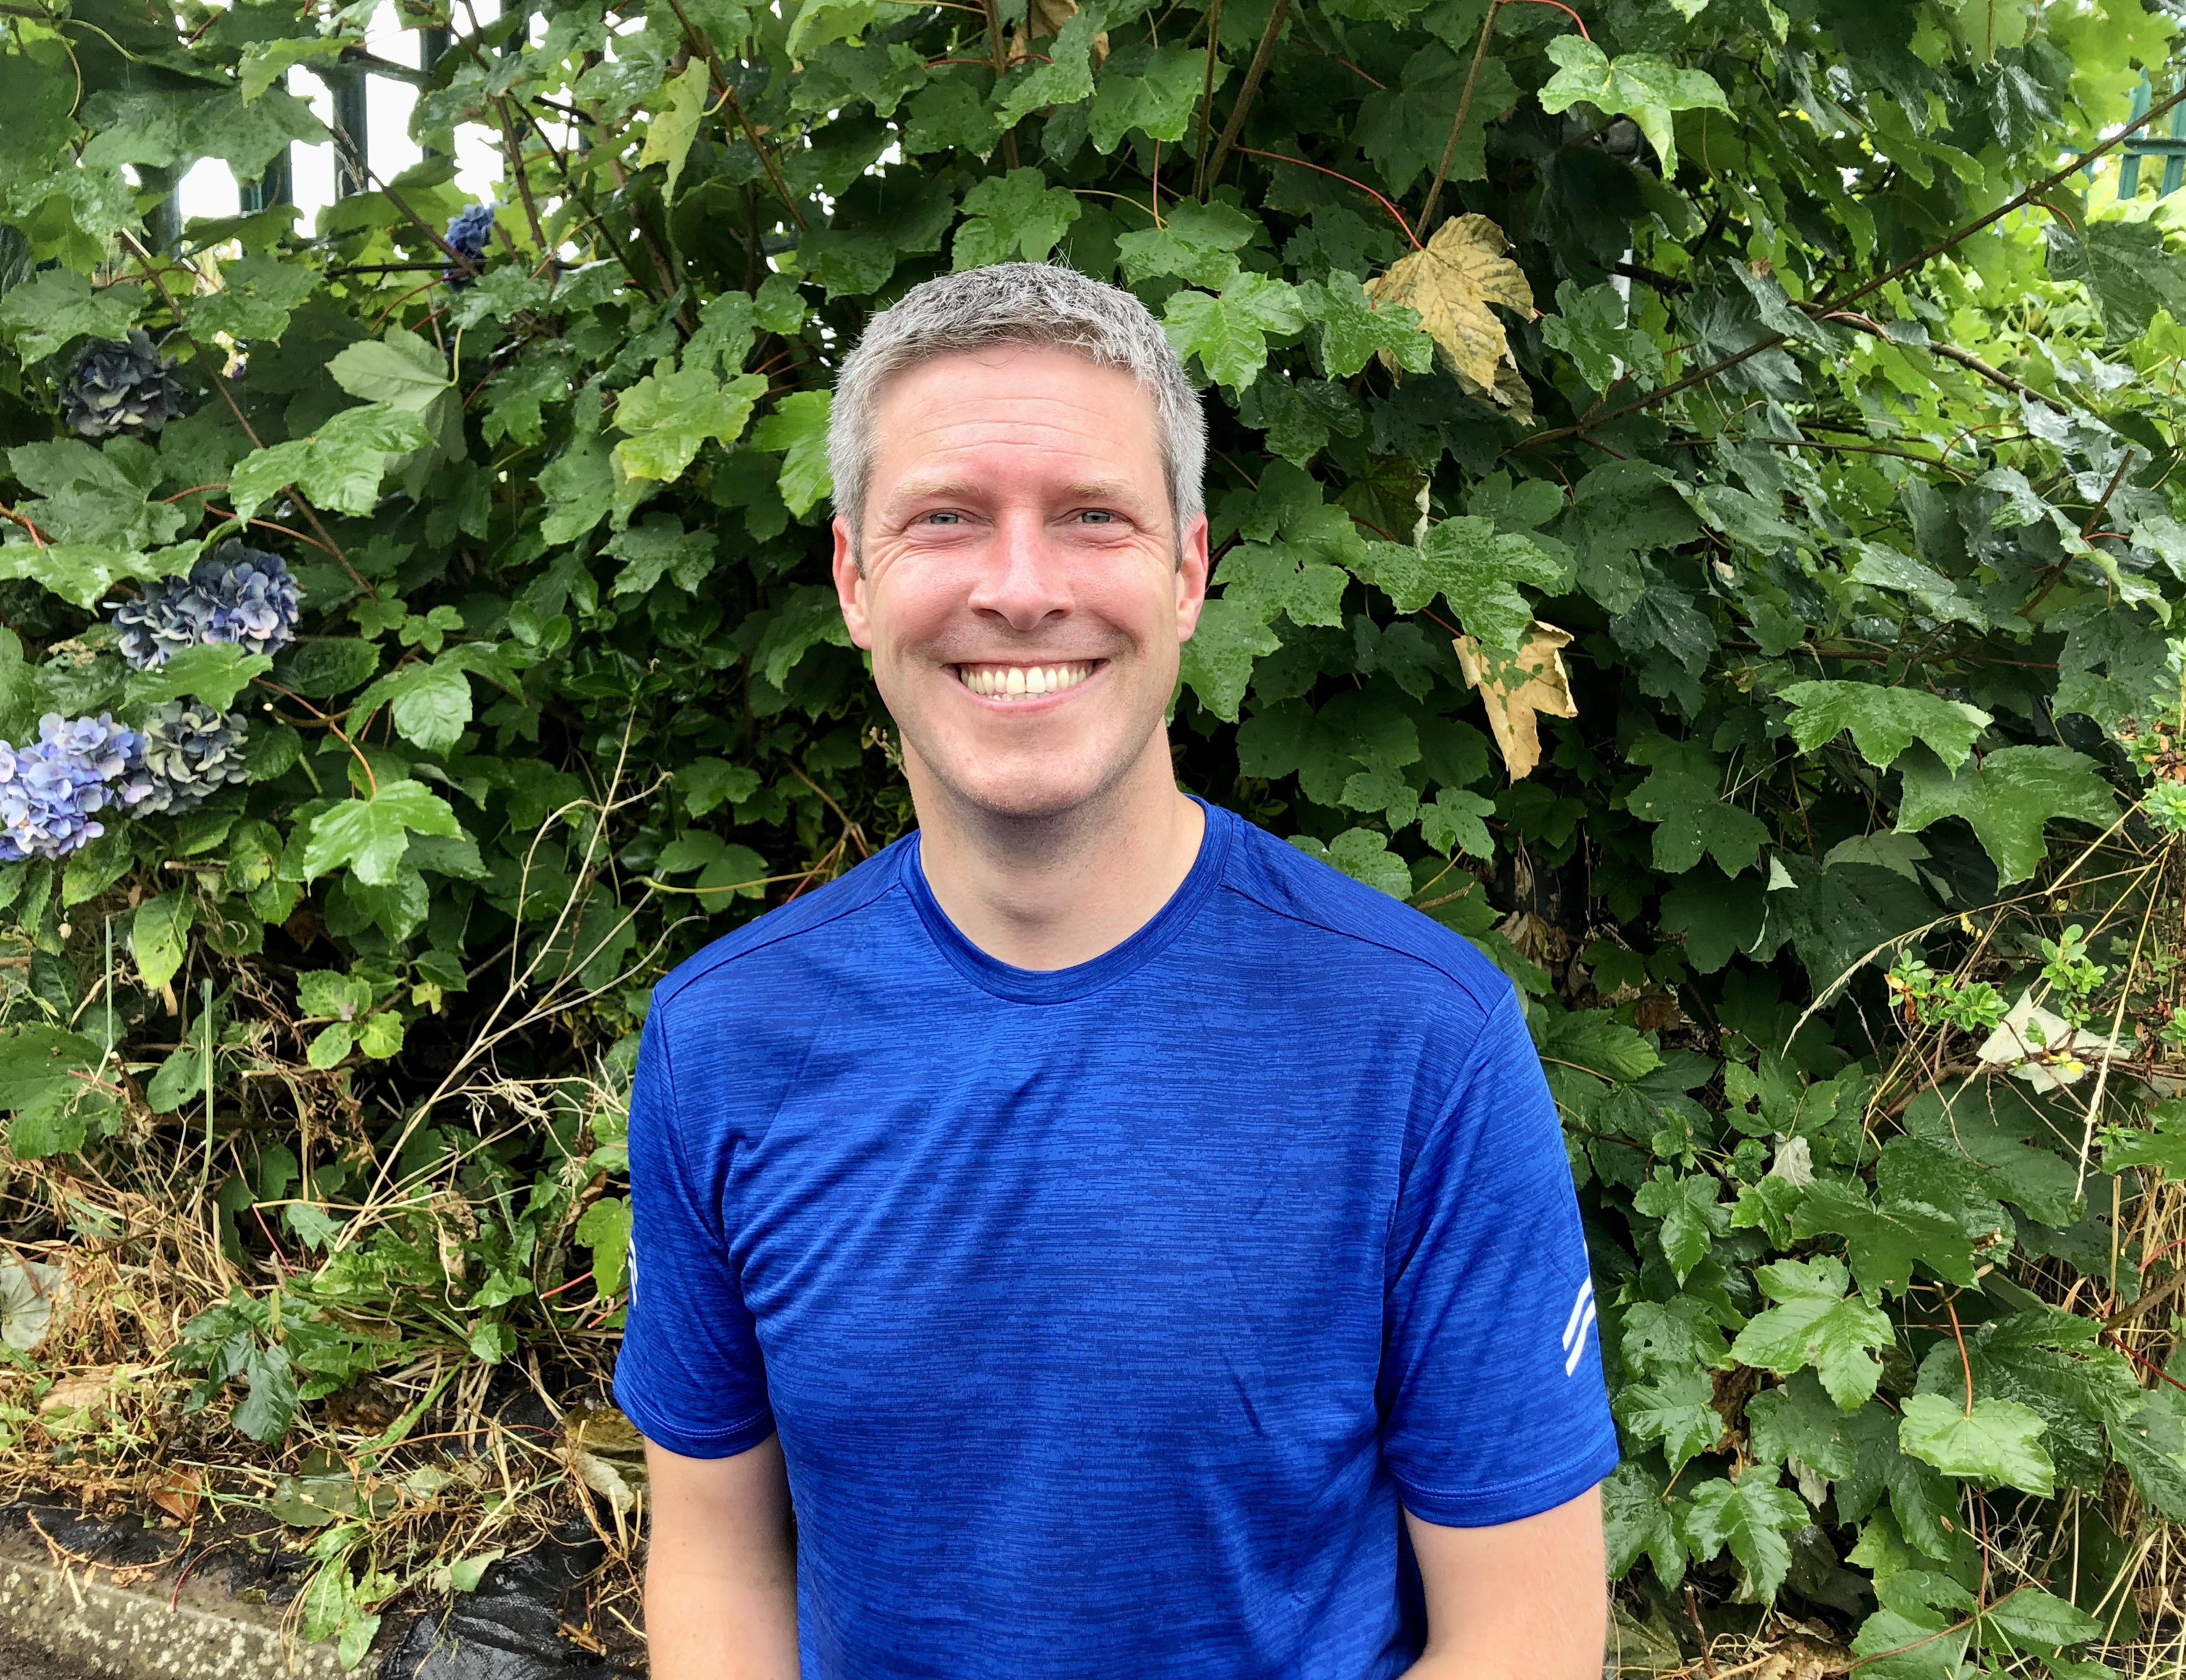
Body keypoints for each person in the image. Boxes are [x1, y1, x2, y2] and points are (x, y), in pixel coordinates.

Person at [613, 262, 1618, 1680]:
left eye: (1093, 516)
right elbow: (717, 1560)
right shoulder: (724, 1038)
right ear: (853, 580)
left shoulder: (1421, 1042)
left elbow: (1528, 1637)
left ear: (1189, 572)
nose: (1022, 589)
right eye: (946, 518)